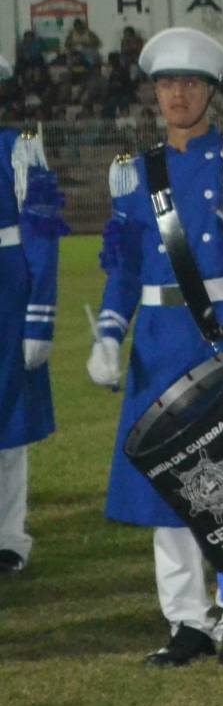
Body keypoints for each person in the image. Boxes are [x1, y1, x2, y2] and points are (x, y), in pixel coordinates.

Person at [87, 27, 223, 666]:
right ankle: (186, 622)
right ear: (156, 93)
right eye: (167, 84)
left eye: (190, 84)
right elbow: (121, 268)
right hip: (157, 343)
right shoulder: (131, 175)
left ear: (210, 93)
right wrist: (109, 333)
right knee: (168, 487)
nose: (177, 94)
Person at [0, 53, 65, 575]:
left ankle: (8, 536)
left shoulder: (20, 153)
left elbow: (42, 240)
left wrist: (39, 318)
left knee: (9, 427)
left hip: (7, 299)